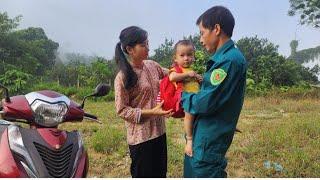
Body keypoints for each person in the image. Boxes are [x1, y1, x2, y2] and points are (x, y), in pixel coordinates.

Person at [181, 6, 247, 177]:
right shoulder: (226, 59)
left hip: (207, 142)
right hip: (205, 137)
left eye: (202, 33)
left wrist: (182, 97)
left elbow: (206, 102)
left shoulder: (228, 61)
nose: (201, 40)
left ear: (216, 29)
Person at [114, 26, 172, 178]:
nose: (148, 47)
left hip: (159, 132)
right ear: (130, 49)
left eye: (147, 43)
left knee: (160, 174)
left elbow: (171, 76)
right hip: (141, 139)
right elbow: (121, 110)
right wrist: (152, 112)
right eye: (143, 45)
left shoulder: (152, 65)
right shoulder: (123, 77)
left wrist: (189, 74)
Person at [167, 40, 202, 157]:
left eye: (189, 55)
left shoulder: (191, 70)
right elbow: (172, 78)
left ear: (194, 57)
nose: (186, 58)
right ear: (175, 58)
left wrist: (199, 78)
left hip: (196, 98)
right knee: (189, 115)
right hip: (186, 98)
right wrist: (187, 75)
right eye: (182, 55)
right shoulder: (176, 69)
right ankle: (189, 139)